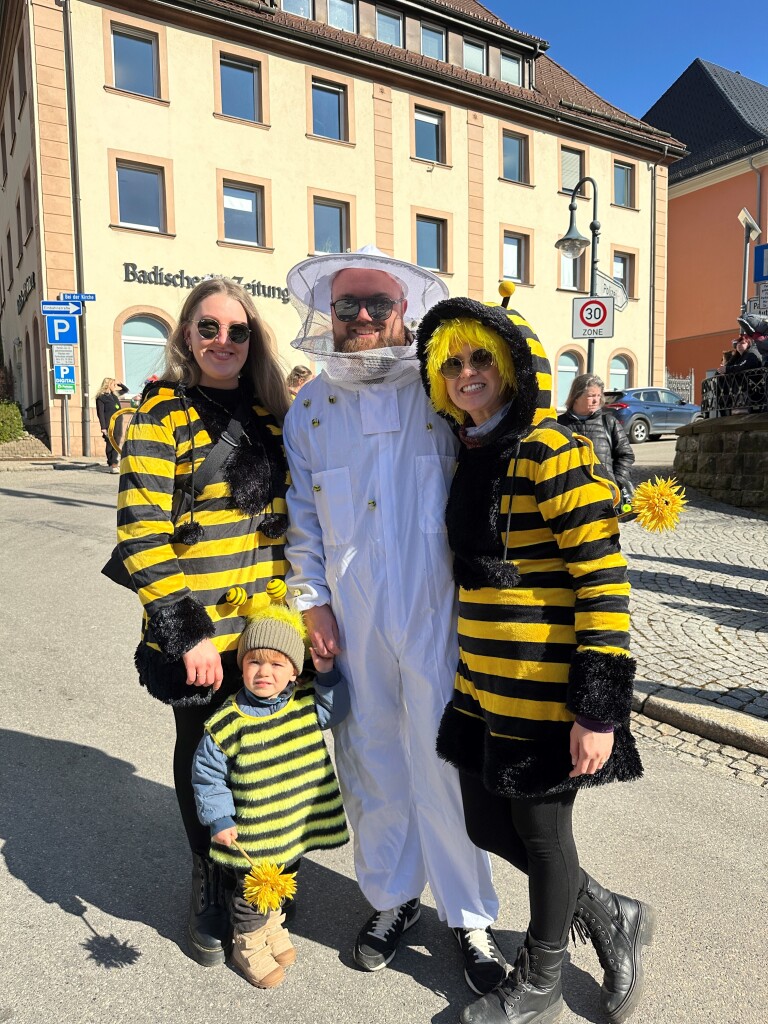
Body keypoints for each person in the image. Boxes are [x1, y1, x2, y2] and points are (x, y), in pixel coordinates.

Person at [415, 296, 655, 1024]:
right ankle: (612, 912)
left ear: (516, 366)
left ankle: (543, 980)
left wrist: (597, 708)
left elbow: (603, 580)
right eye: (452, 362)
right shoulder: (471, 452)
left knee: (545, 838)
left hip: (550, 691)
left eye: (481, 357)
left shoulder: (552, 448)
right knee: (489, 827)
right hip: (486, 686)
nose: (466, 373)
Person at [282, 245, 502, 994]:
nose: (364, 318)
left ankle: (469, 916)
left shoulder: (440, 393)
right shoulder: (311, 406)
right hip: (351, 616)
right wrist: (309, 602)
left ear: (405, 313)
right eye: (349, 306)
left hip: (439, 608)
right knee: (371, 758)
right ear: (330, 317)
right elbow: (304, 521)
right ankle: (393, 898)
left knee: (448, 761)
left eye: (379, 305)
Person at [115, 278, 291, 968]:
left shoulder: (272, 415)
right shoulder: (162, 416)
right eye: (209, 328)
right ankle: (207, 881)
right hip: (198, 634)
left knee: (263, 759)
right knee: (205, 758)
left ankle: (260, 877)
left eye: (237, 330)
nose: (223, 341)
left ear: (253, 342)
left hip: (268, 631)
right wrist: (186, 633)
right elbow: (140, 534)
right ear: (187, 335)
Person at [192, 595, 350, 989]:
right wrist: (219, 819)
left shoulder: (303, 702)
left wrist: (328, 671)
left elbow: (337, 711)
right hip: (253, 832)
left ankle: (272, 924)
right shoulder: (228, 722)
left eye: (277, 664)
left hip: (291, 825)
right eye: (254, 662)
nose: (264, 672)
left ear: (295, 672)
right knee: (250, 894)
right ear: (241, 667)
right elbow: (208, 775)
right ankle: (247, 943)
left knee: (284, 876)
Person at [557, 374, 634, 490]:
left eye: (598, 396)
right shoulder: (559, 424)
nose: (596, 400)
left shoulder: (609, 422)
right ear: (576, 397)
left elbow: (626, 455)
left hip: (605, 496)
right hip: (571, 497)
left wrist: (616, 483)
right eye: (591, 396)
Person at [95, 377, 129, 472]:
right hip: (108, 423)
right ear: (108, 385)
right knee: (110, 443)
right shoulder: (101, 398)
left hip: (118, 422)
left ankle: (114, 463)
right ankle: (113, 463)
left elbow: (126, 390)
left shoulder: (115, 395)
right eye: (113, 385)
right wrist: (103, 427)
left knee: (116, 442)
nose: (115, 387)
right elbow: (100, 413)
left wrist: (120, 384)